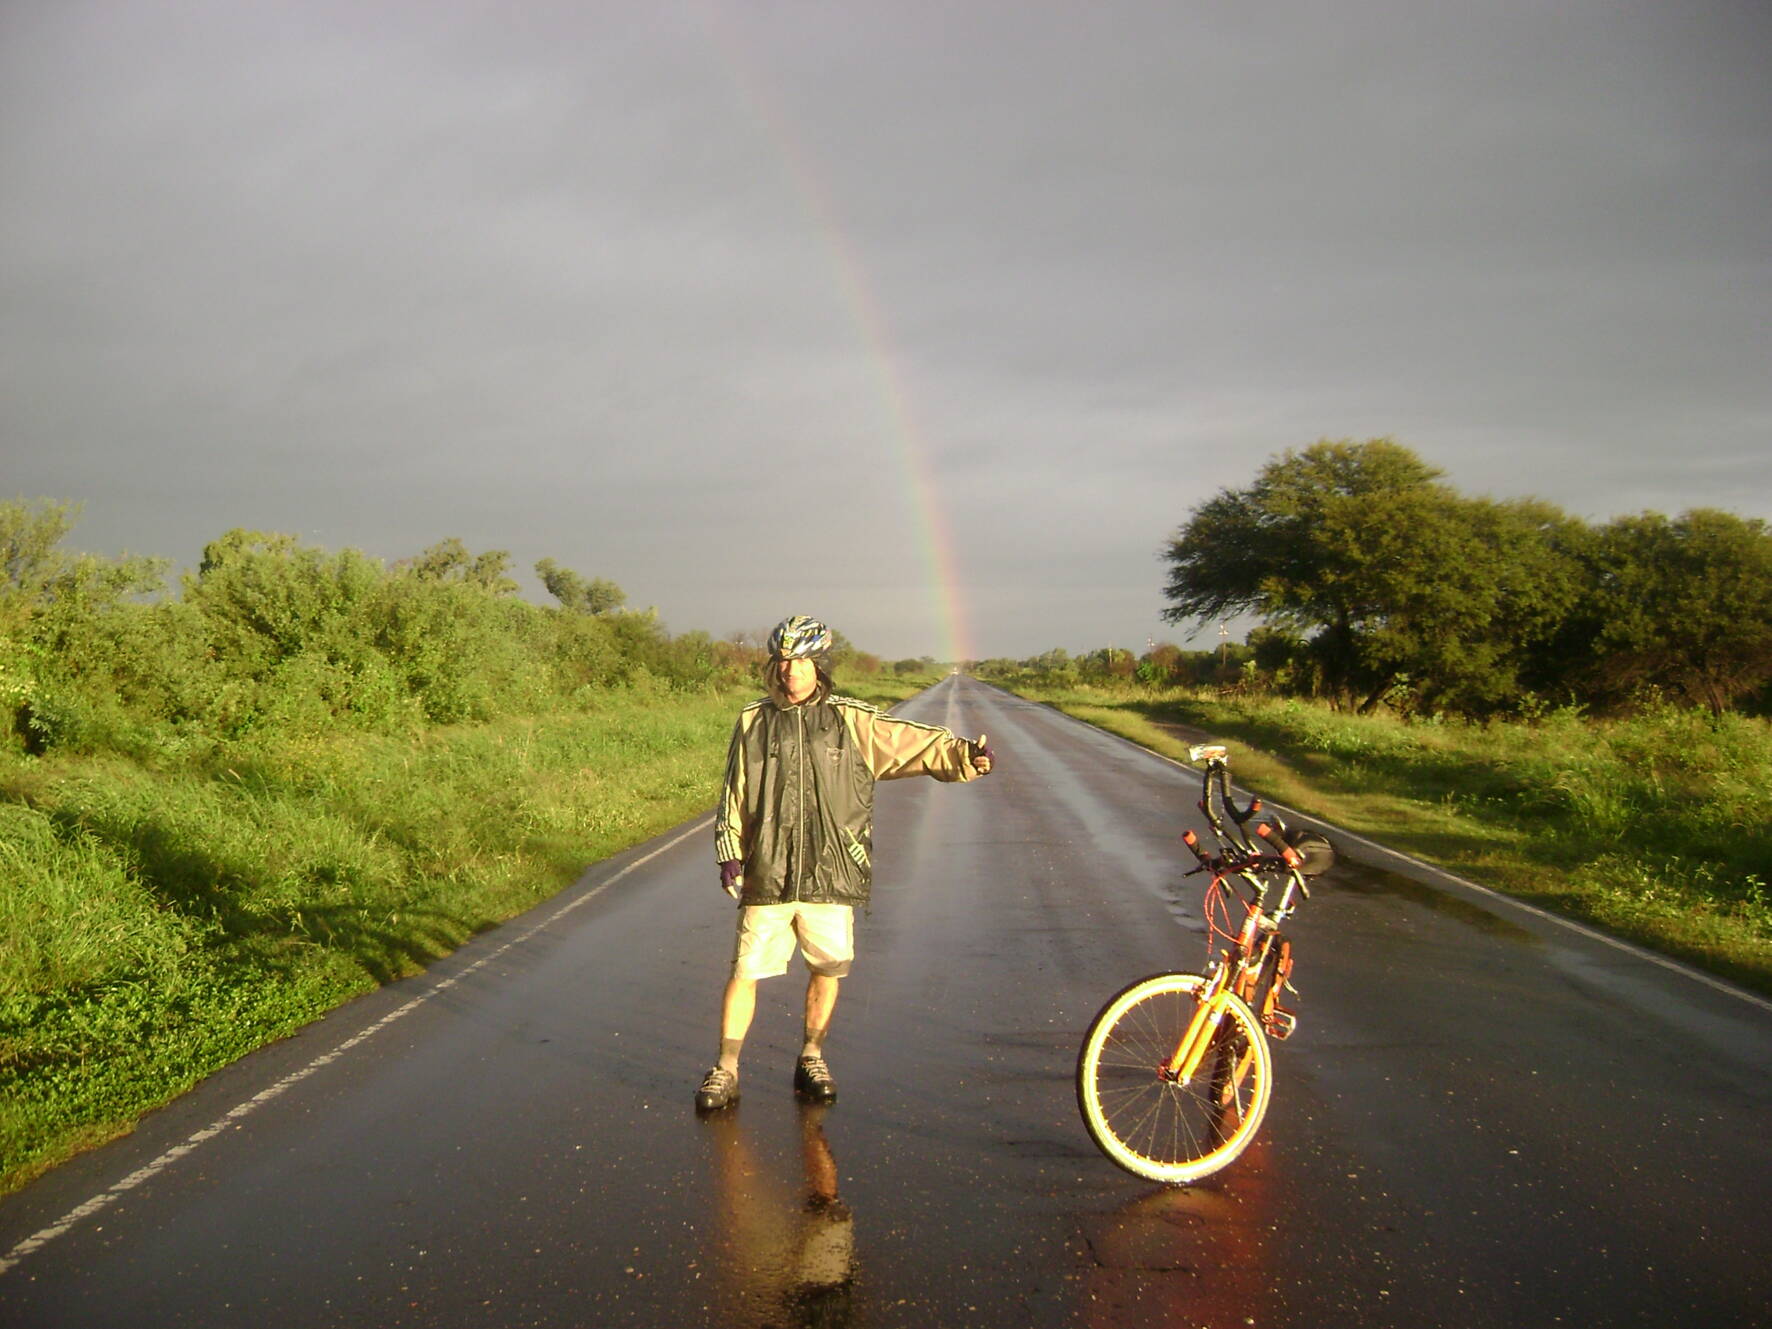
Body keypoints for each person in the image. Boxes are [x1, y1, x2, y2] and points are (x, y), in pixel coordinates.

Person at [695, 615, 993, 1113]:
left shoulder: (850, 719)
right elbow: (734, 791)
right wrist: (729, 849)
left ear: (820, 665)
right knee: (746, 969)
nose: (791, 671)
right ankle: (726, 1068)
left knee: (827, 968)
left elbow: (909, 743)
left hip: (832, 869)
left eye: (802, 661)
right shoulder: (753, 720)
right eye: (784, 661)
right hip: (768, 867)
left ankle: (812, 1055)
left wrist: (965, 755)